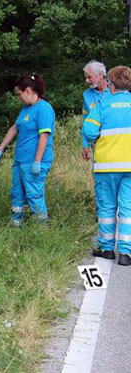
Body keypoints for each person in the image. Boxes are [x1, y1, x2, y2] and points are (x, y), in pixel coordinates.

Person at [0, 74, 55, 227]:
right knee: (17, 194)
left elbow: (44, 136)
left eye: (19, 94)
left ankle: (41, 229)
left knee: (34, 195)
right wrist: (0, 149)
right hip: (20, 161)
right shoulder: (26, 109)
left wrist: (37, 161)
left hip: (34, 161)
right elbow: (15, 128)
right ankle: (17, 224)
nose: (18, 97)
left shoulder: (44, 108)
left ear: (29, 90)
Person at [82, 65, 131, 265]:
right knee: (128, 209)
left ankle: (106, 248)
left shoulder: (103, 103)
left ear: (111, 84)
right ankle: (126, 253)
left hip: (107, 165)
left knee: (107, 207)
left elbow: (89, 130)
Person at [82, 60, 111, 161]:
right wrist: (85, 145)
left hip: (116, 140)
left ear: (101, 75)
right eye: (86, 77)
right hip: (98, 143)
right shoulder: (86, 95)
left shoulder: (115, 90)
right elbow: (86, 120)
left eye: (89, 77)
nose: (87, 80)